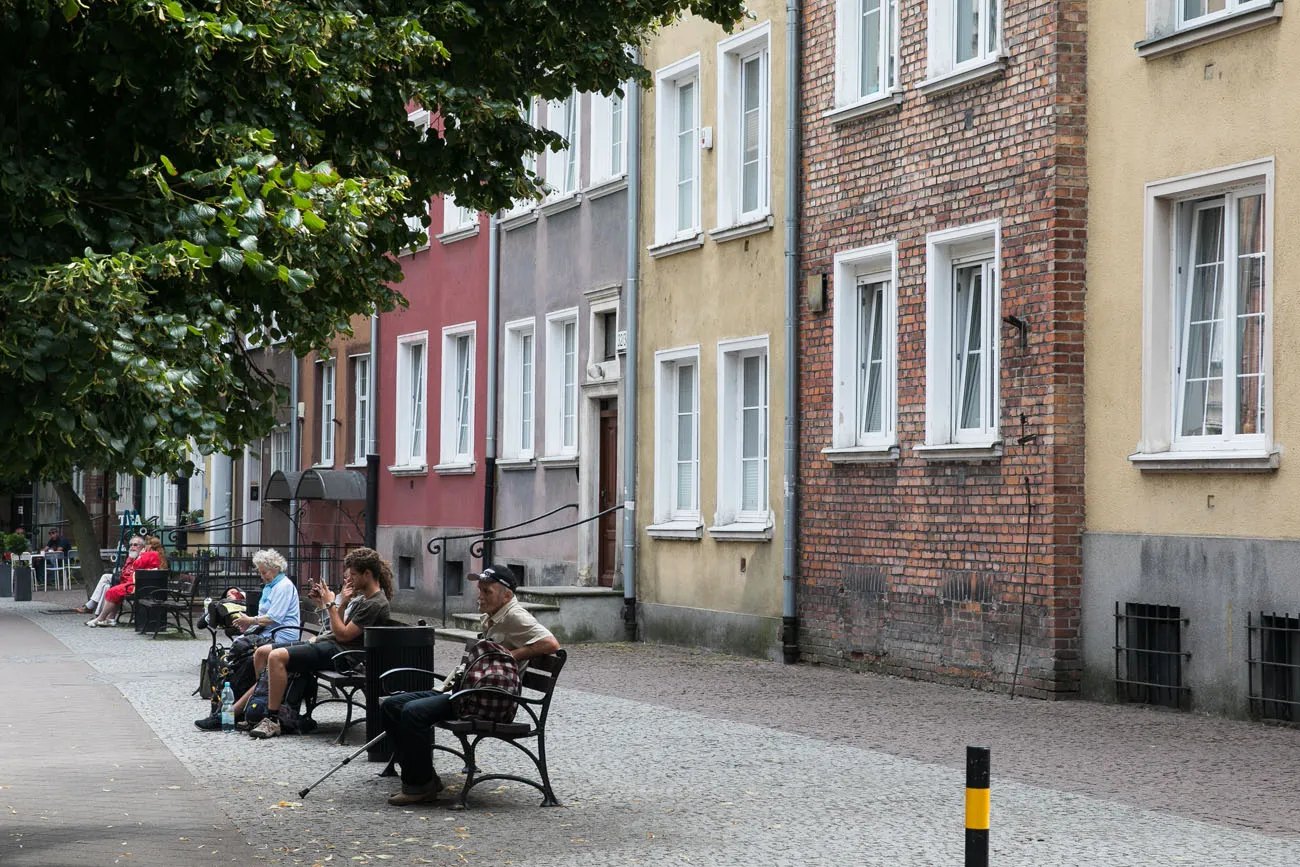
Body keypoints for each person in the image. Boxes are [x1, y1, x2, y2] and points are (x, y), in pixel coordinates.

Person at [381, 564, 560, 807]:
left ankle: (419, 787)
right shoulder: (494, 615)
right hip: (470, 692)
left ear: (507, 595)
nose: (480, 596)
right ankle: (423, 778)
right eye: (480, 590)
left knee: (414, 712)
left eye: (487, 591)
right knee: (392, 705)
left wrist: (510, 656)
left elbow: (551, 643)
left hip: (488, 700)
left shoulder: (515, 616)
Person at [246, 547, 394, 740]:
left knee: (276, 657)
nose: (350, 579)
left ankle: (272, 719)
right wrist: (341, 603)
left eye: (354, 575)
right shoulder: (363, 599)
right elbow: (337, 627)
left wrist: (330, 604)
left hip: (343, 656)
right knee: (263, 651)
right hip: (332, 646)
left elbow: (343, 635)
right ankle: (259, 706)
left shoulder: (375, 604)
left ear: (367, 574)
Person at [194, 548, 303, 731]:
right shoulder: (271, 586)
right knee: (234, 661)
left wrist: (250, 621)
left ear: (275, 569)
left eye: (264, 572)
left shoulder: (283, 586)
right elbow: (264, 618)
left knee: (244, 664)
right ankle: (227, 710)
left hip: (281, 636)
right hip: (268, 634)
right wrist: (248, 626)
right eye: (260, 572)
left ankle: (229, 714)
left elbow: (274, 618)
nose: (262, 576)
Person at [86, 535, 162, 627]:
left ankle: (101, 618)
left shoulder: (149, 554)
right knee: (110, 588)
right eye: (131, 545)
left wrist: (141, 555)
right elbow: (127, 571)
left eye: (135, 545)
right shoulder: (146, 555)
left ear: (147, 546)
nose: (132, 547)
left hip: (138, 585)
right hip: (137, 583)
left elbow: (136, 566)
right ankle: (108, 618)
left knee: (111, 591)